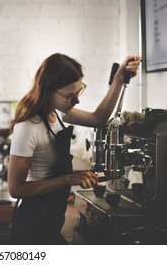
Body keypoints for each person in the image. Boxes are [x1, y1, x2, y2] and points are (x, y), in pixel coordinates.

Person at [7, 53, 141, 244]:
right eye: (70, 96)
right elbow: (15, 189)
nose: (76, 101)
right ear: (48, 90)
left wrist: (119, 79)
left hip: (51, 219)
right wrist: (70, 178)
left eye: (79, 92)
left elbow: (98, 119)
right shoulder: (28, 127)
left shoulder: (59, 115)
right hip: (32, 224)